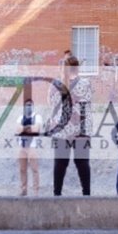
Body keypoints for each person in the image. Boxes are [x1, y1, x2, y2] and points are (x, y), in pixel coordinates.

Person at [46, 55, 93, 196]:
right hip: (81, 129)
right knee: (82, 163)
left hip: (61, 129)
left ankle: (57, 195)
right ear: (78, 68)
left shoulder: (55, 84)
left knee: (60, 163)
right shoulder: (86, 83)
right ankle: (86, 195)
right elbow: (88, 104)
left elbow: (51, 104)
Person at [16, 99, 43, 196]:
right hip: (22, 146)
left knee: (34, 169)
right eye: (26, 105)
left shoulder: (37, 117)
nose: (28, 107)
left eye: (30, 105)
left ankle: (35, 191)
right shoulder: (20, 117)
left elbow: (36, 129)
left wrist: (24, 128)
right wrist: (28, 128)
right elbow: (18, 130)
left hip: (32, 146)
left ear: (33, 106)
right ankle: (24, 190)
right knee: (22, 169)